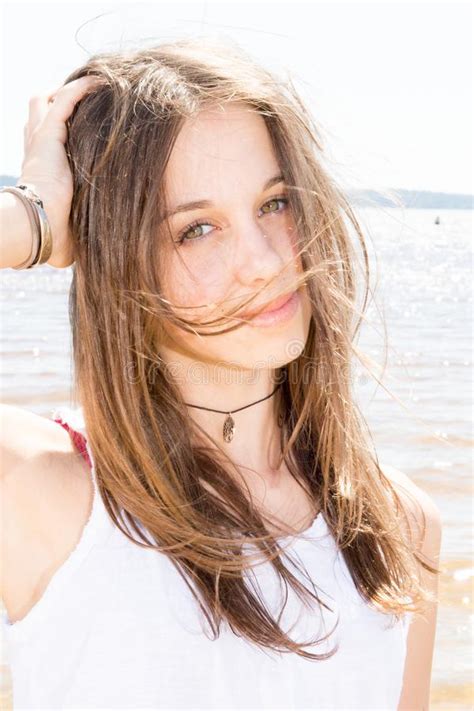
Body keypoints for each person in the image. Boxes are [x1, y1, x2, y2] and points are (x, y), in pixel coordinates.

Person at [0, 37, 441, 710]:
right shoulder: (47, 494)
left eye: (274, 203)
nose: (265, 260)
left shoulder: (396, 524)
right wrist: (31, 218)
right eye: (196, 229)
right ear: (115, 257)